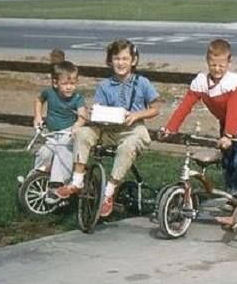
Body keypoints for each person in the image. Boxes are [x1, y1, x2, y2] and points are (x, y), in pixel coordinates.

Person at [53, 39, 160, 217]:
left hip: (132, 129)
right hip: (109, 129)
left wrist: (137, 115)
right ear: (110, 61)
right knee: (83, 133)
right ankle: (77, 180)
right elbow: (98, 111)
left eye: (125, 59)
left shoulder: (142, 83)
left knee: (128, 146)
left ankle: (109, 192)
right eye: (117, 59)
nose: (121, 63)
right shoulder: (105, 85)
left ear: (133, 61)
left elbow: (156, 108)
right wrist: (95, 112)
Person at [160, 39, 237, 212]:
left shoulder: (235, 82)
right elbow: (185, 106)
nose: (217, 69)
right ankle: (230, 193)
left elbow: (235, 110)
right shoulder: (201, 82)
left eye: (221, 65)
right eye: (213, 65)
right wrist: (170, 128)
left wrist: (229, 136)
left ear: (229, 62)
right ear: (207, 62)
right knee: (227, 160)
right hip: (225, 124)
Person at [33, 61, 86, 193]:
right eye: (65, 84)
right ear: (55, 83)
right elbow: (39, 100)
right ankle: (35, 178)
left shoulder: (77, 98)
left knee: (62, 151)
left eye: (73, 84)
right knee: (44, 153)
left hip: (67, 133)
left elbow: (82, 115)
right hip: (51, 133)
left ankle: (57, 184)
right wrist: (38, 116)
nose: (69, 87)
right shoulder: (50, 93)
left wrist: (77, 125)